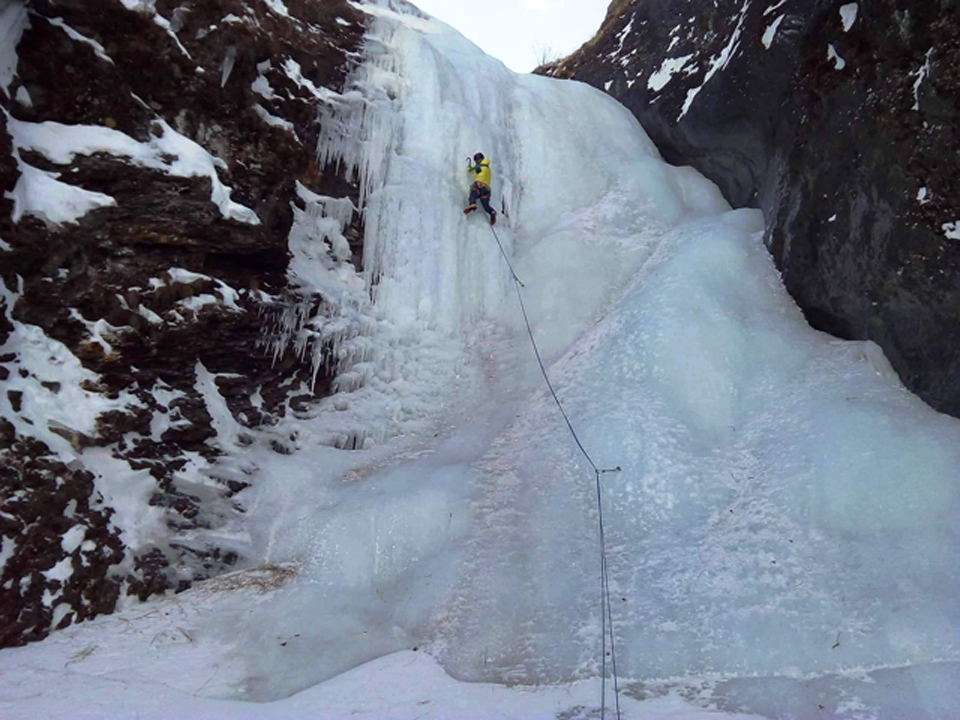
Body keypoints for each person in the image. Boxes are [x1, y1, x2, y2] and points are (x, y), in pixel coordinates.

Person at [464, 152, 497, 226]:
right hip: (486, 189)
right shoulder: (487, 168)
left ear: (480, 159)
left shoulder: (480, 166)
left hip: (479, 186)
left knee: (473, 193)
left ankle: (472, 204)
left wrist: (468, 167)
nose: (476, 162)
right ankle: (492, 212)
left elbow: (470, 170)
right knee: (486, 205)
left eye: (476, 160)